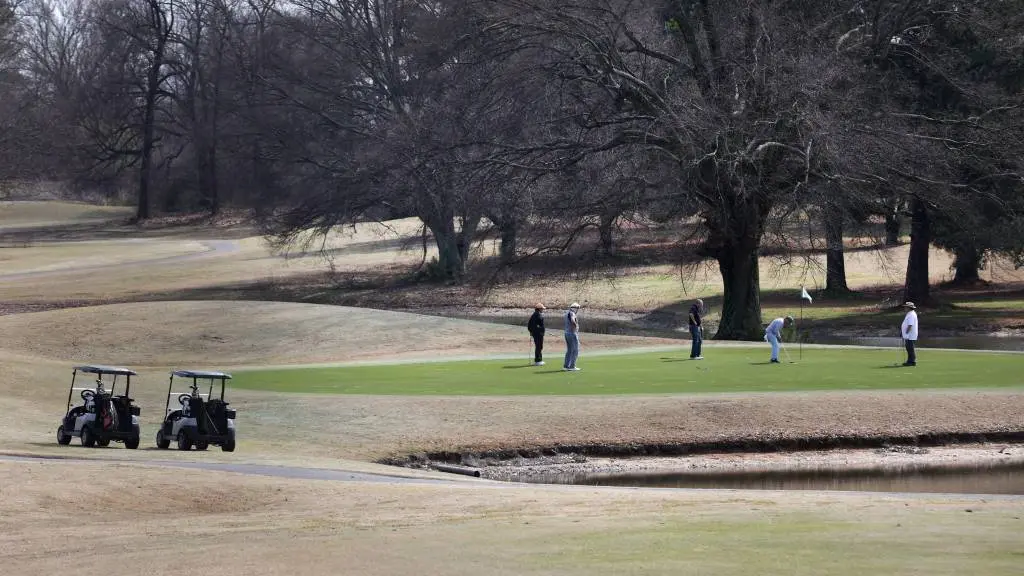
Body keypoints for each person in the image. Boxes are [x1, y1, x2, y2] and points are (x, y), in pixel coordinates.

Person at [563, 302, 581, 371]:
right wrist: (575, 327)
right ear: (575, 308)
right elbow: (573, 321)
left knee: (569, 350)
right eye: (577, 308)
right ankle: (572, 366)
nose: (578, 310)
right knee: (575, 350)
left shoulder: (567, 313)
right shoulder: (572, 313)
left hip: (567, 333)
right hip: (572, 333)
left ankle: (566, 366)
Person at [901, 302, 918, 366]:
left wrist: (906, 333)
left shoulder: (911, 314)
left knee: (910, 348)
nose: (905, 308)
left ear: (909, 308)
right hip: (908, 335)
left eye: (906, 307)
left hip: (910, 335)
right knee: (908, 348)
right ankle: (909, 361)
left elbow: (910, 325)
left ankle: (912, 361)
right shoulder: (909, 314)